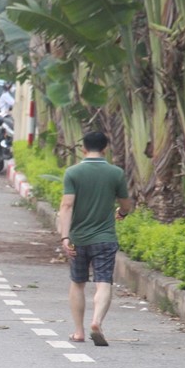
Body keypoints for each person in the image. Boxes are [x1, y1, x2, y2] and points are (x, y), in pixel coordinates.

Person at [57, 131, 133, 346]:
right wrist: (122, 213)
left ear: (83, 149)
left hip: (78, 239)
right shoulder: (115, 173)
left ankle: (79, 331)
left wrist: (65, 236)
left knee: (78, 283)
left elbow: (67, 205)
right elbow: (126, 204)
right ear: (105, 149)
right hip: (105, 238)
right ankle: (97, 321)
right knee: (103, 282)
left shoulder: (73, 172)